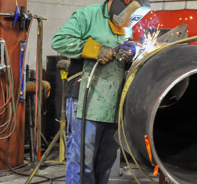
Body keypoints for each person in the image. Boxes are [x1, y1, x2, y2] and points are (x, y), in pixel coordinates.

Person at [51, 0, 150, 183]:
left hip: (112, 106)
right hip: (86, 101)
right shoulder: (87, 15)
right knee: (83, 162)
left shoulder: (125, 26)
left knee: (105, 163)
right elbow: (59, 41)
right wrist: (94, 49)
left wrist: (131, 55)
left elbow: (121, 59)